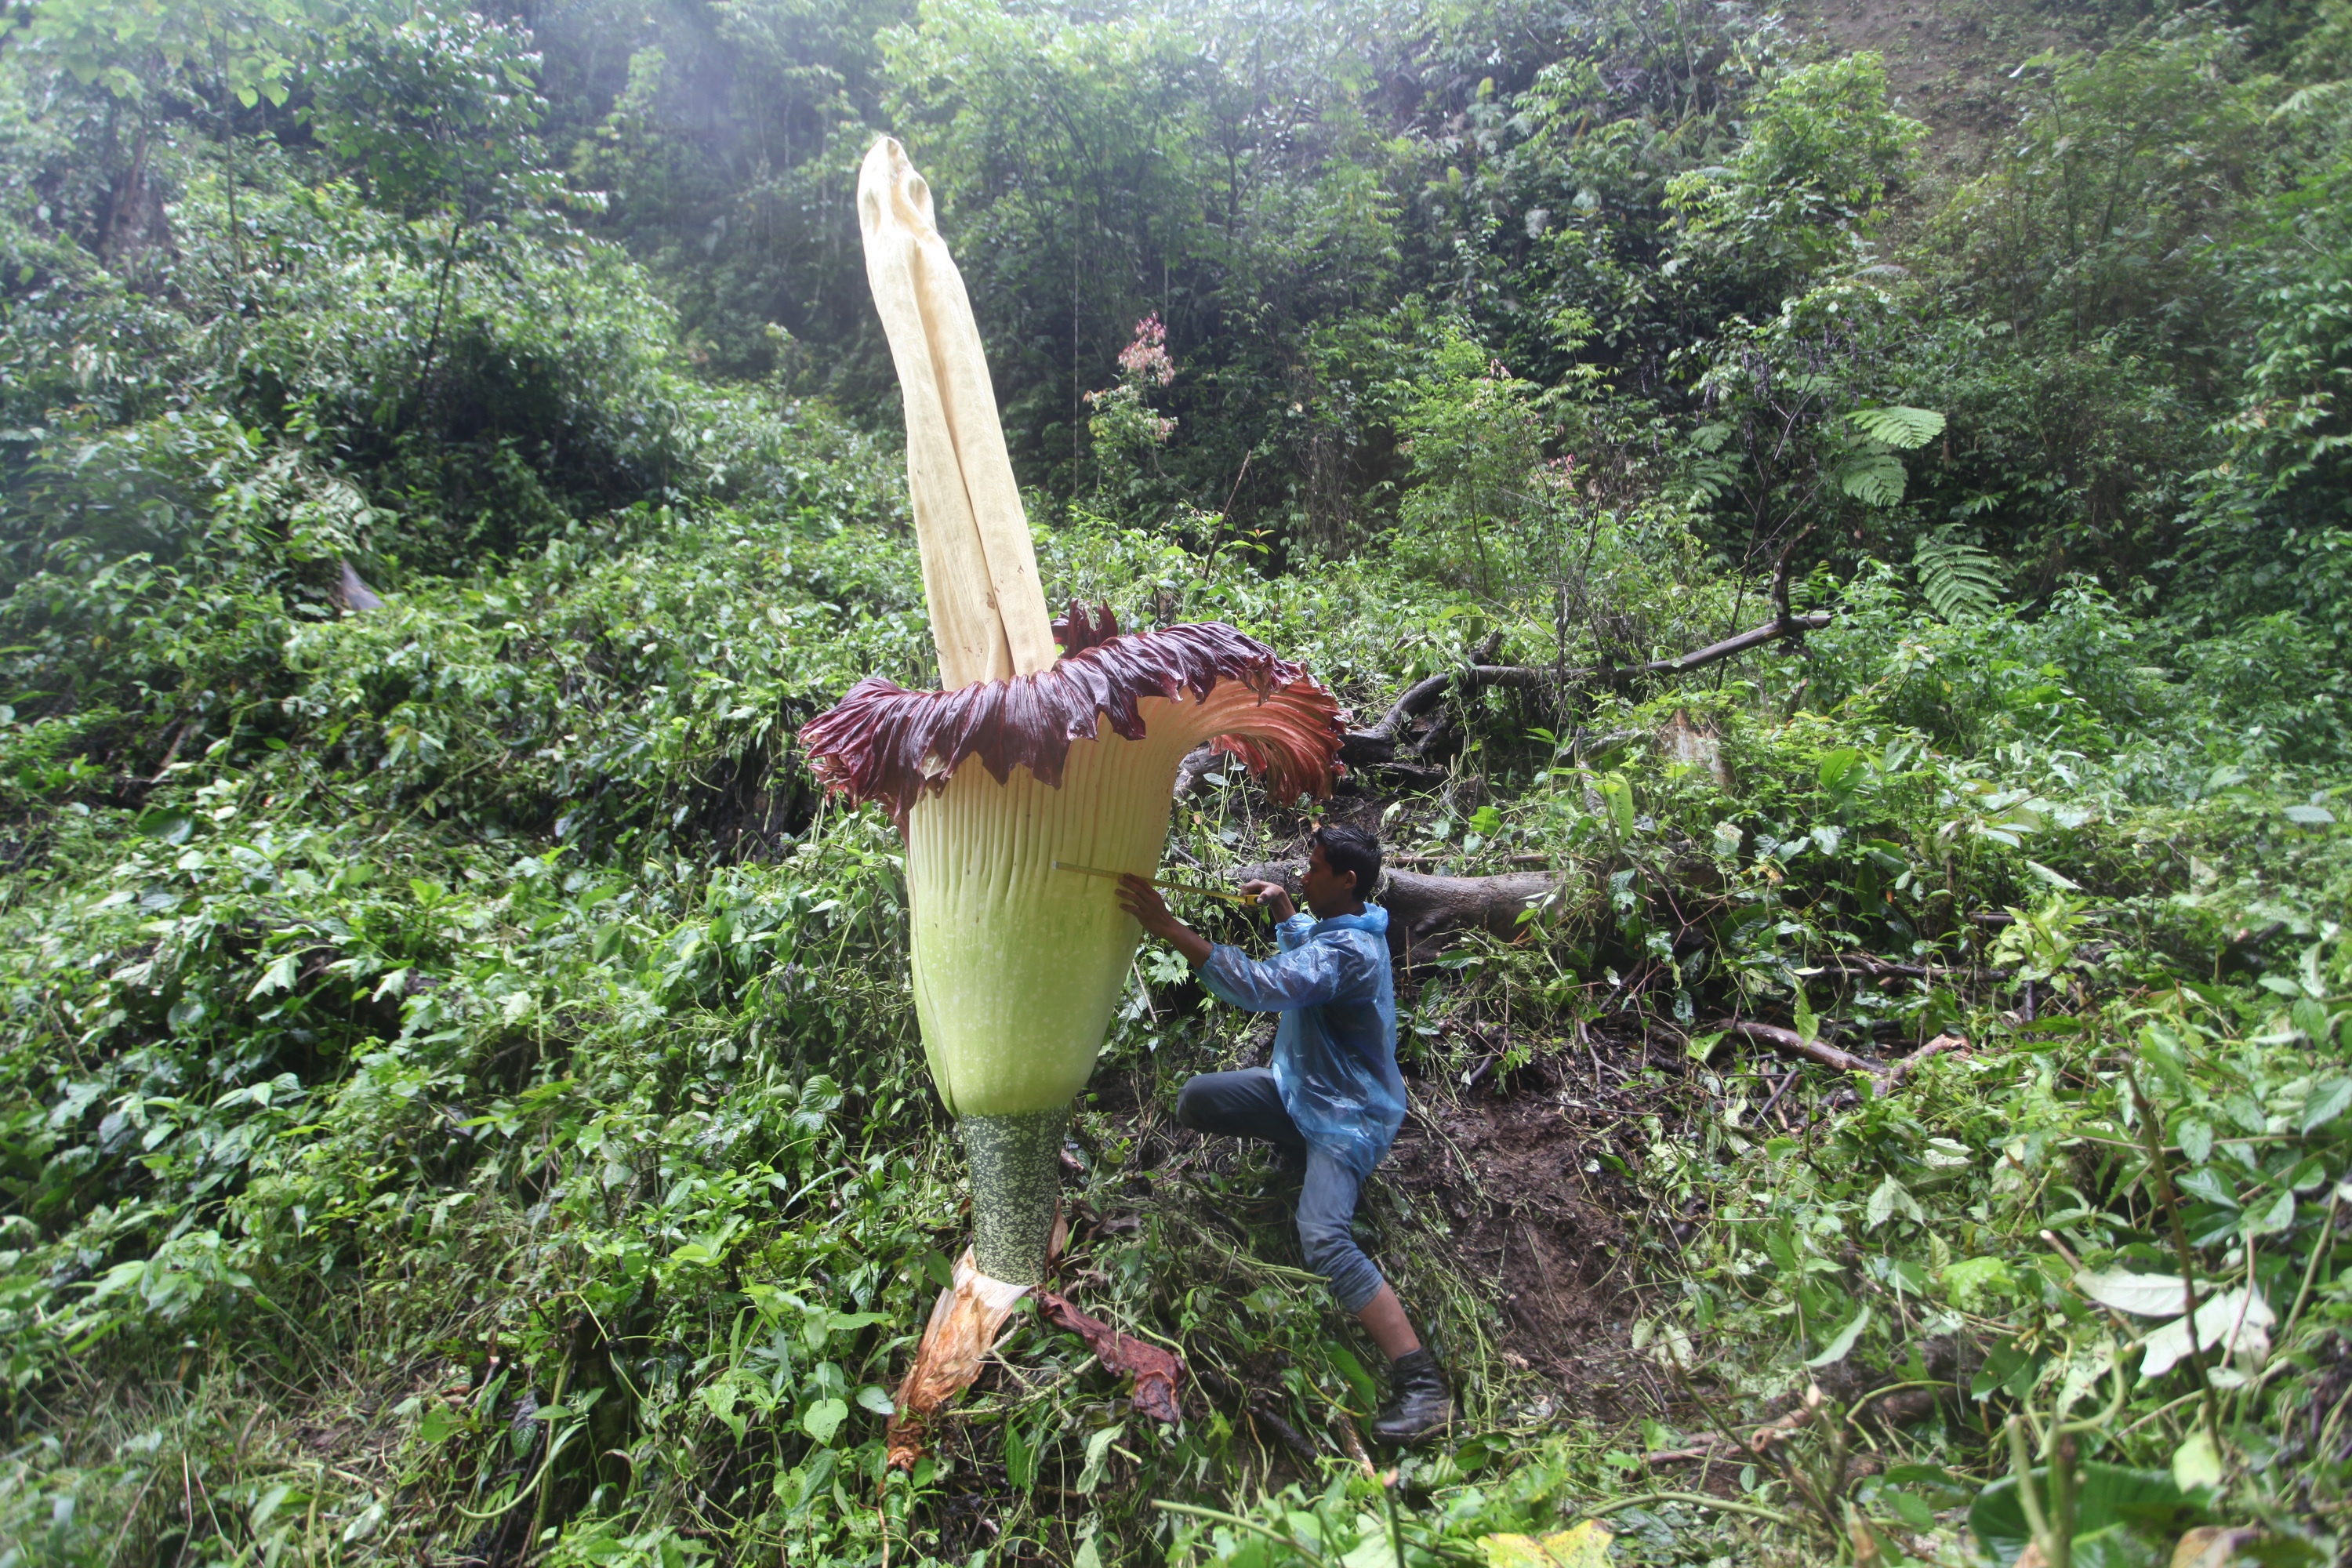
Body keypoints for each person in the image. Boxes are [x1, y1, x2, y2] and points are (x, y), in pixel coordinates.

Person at [1116, 823, 1453, 1444]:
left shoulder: (1350, 952)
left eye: (1315, 868)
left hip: (1348, 1115)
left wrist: (1169, 929)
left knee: (1322, 1237)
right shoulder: (1353, 922)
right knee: (1197, 1100)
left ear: (1347, 881)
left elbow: (1269, 986)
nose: (1304, 873)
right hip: (1304, 1091)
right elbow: (1309, 951)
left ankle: (1422, 1381)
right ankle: (1293, 1143)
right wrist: (1282, 907)